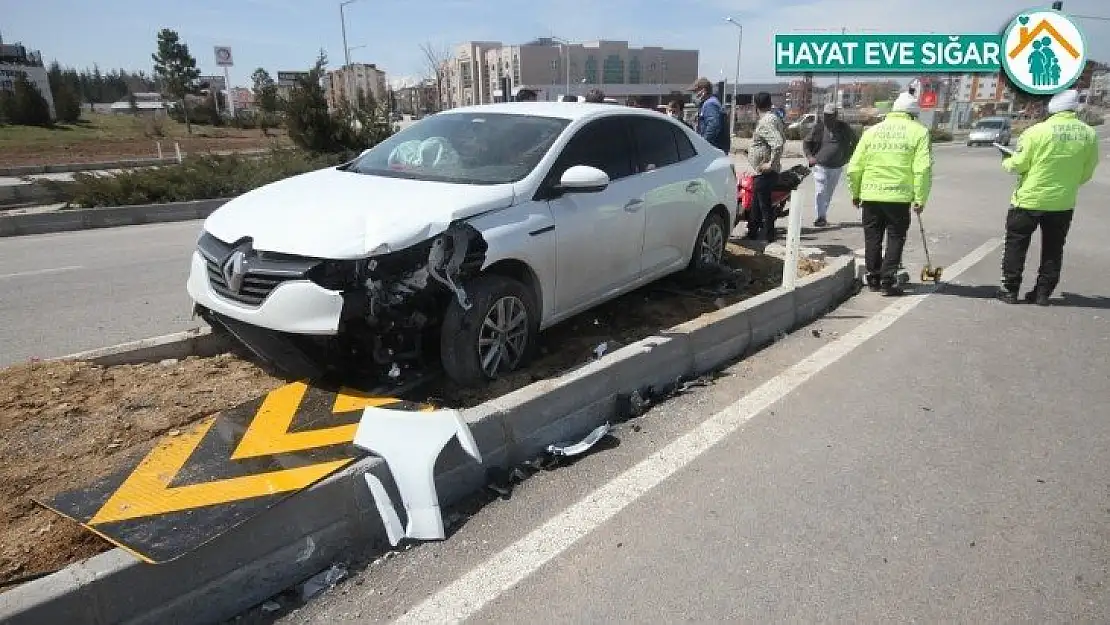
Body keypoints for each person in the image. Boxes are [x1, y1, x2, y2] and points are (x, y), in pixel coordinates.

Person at [996, 89, 1099, 305]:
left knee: (1016, 244)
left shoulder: (1036, 132)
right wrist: (1067, 184)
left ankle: (1010, 290)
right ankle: (1043, 293)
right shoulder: (1088, 134)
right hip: (1063, 202)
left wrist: (1006, 160)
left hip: (1029, 200)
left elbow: (1019, 164)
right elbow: (1087, 171)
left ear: (1052, 108)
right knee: (1053, 248)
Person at [845, 91, 933, 296]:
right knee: (895, 237)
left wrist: (855, 193)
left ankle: (873, 277)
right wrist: (920, 198)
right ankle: (888, 279)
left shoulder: (872, 131)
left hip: (871, 195)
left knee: (872, 237)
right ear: (913, 114)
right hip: (898, 197)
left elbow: (854, 167)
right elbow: (922, 169)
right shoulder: (919, 132)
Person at [803, 103, 858, 227]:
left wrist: (848, 157)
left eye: (830, 115)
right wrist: (810, 157)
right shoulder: (818, 128)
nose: (827, 118)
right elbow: (806, 143)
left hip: (837, 166)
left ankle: (822, 215)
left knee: (828, 193)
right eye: (825, 115)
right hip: (820, 166)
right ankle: (820, 217)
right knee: (820, 191)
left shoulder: (844, 128)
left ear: (836, 115)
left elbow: (856, 142)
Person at [745, 91, 786, 242]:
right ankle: (752, 232)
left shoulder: (766, 122)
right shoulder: (775, 118)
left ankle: (769, 236)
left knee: (764, 206)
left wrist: (770, 164)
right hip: (762, 172)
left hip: (765, 172)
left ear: (756, 106)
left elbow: (778, 143)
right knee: (757, 203)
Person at [689, 77, 730, 153]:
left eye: (695, 92)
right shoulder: (709, 103)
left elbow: (713, 126)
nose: (694, 95)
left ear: (703, 91)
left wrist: (703, 144)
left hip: (713, 148)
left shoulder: (710, 104)